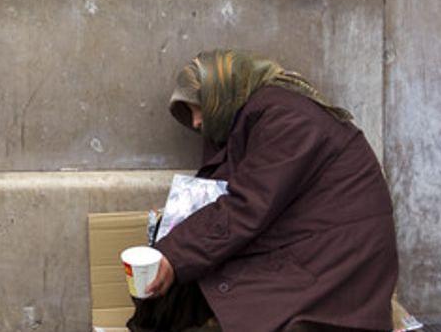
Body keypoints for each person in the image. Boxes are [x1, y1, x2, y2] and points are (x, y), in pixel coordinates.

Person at [134, 50, 398, 332]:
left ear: (221, 93)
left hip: (336, 267)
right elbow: (227, 197)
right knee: (182, 285)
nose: (196, 122)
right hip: (311, 248)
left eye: (197, 107)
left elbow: (246, 206)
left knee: (200, 284)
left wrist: (174, 254)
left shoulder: (289, 119)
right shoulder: (261, 115)